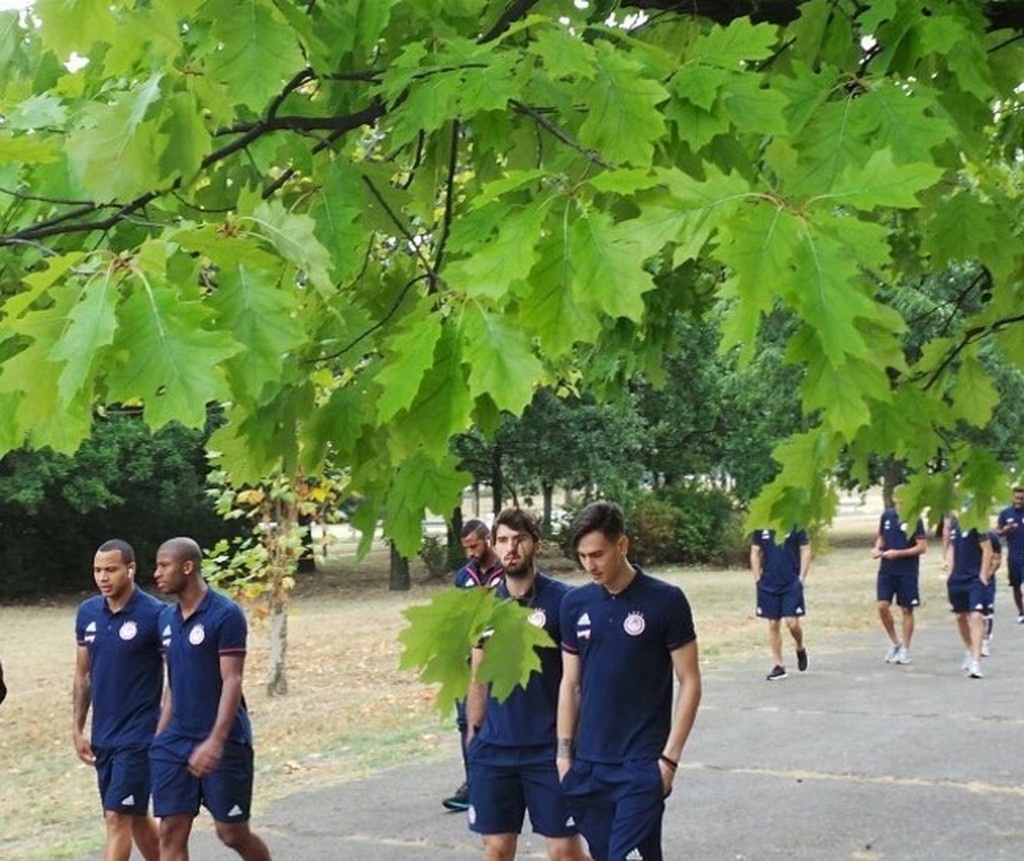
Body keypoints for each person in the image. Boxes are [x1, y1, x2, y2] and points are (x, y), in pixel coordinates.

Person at [557, 501, 702, 861]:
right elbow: (570, 684)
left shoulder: (666, 601)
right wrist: (564, 758)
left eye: (597, 554)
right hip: (589, 764)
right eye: (582, 556)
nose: (590, 565)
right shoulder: (575, 604)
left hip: (641, 763)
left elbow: (690, 681)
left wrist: (669, 760)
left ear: (622, 545)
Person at [465, 509, 589, 861]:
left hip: (548, 749)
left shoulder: (565, 601)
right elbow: (478, 674)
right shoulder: (485, 606)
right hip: (495, 749)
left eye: (519, 539)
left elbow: (577, 681)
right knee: (497, 849)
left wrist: (571, 745)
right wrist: (473, 736)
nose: (511, 548)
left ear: (535, 543)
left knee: (564, 851)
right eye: (502, 540)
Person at [149, 537, 272, 861]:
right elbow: (175, 682)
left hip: (224, 739)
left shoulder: (225, 614)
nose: (157, 573)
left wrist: (215, 742)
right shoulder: (165, 619)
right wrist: (160, 736)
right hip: (175, 740)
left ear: (187, 567)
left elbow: (232, 680)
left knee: (231, 833)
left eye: (164, 565)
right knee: (170, 832)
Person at [73, 539, 163, 861]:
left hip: (140, 736)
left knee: (117, 817)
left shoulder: (156, 615)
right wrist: (77, 728)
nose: (103, 577)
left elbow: (178, 674)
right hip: (104, 736)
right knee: (136, 818)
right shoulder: (87, 614)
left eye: (110, 569)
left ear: (130, 568)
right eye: (97, 570)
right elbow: (83, 675)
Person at [444, 519, 504, 812]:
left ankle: (505, 783)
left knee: (500, 719)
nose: (471, 552)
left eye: (475, 546)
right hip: (468, 662)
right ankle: (474, 784)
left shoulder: (506, 572)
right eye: (466, 547)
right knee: (467, 721)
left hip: (500, 661)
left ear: (488, 540)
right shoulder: (463, 577)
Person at [871, 493, 927, 665]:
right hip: (887, 570)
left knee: (907, 610)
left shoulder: (914, 519)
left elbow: (922, 547)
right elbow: (881, 537)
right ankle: (895, 642)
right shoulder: (887, 516)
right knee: (882, 606)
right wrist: (877, 548)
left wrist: (899, 554)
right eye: (899, 498)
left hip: (907, 571)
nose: (902, 501)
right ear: (894, 498)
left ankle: (905, 649)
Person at [750, 527, 810, 681]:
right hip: (769, 583)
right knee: (773, 623)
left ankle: (800, 646)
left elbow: (805, 549)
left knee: (792, 622)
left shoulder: (795, 522)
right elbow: (755, 552)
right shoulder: (761, 525)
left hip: (790, 582)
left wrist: (801, 578)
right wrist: (757, 579)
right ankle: (779, 665)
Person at [944, 514, 992, 679]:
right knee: (960, 616)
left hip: (974, 579)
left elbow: (987, 548)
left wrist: (983, 575)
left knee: (977, 616)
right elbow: (951, 547)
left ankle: (976, 662)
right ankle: (970, 650)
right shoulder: (955, 524)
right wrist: (949, 571)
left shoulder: (977, 522)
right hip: (957, 579)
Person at [995, 487, 1024, 624]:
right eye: (1017, 498)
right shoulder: (1005, 513)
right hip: (1014, 555)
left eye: (1022, 498)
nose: (1019, 501)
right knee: (1016, 585)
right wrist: (1006, 530)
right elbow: (998, 532)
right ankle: (1021, 611)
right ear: (1012, 498)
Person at [981, 530, 1001, 657]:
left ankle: (985, 641)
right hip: (970, 577)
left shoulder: (991, 536)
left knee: (987, 611)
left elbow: (997, 559)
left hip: (987, 579)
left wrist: (988, 573)